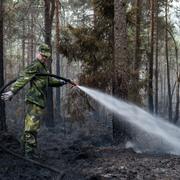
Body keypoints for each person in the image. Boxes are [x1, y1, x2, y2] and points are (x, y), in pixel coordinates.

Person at [1, 43, 67, 159]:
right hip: (34, 101)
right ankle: (29, 154)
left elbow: (48, 81)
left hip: (38, 101)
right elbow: (24, 78)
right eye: (42, 55)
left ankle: (25, 150)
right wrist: (12, 91)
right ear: (38, 53)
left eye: (46, 56)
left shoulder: (43, 67)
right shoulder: (35, 65)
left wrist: (62, 82)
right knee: (31, 128)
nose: (44, 58)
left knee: (31, 126)